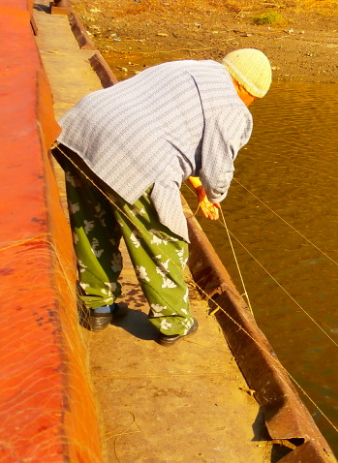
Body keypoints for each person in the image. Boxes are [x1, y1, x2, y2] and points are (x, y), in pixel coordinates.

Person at [52, 48, 272, 346]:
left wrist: (198, 188)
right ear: (246, 88)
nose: (249, 105)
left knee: (93, 224)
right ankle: (173, 322)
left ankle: (97, 307)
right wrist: (215, 194)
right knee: (165, 239)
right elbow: (218, 171)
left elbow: (169, 130)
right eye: (253, 100)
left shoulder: (186, 67)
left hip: (84, 131)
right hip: (136, 156)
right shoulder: (232, 105)